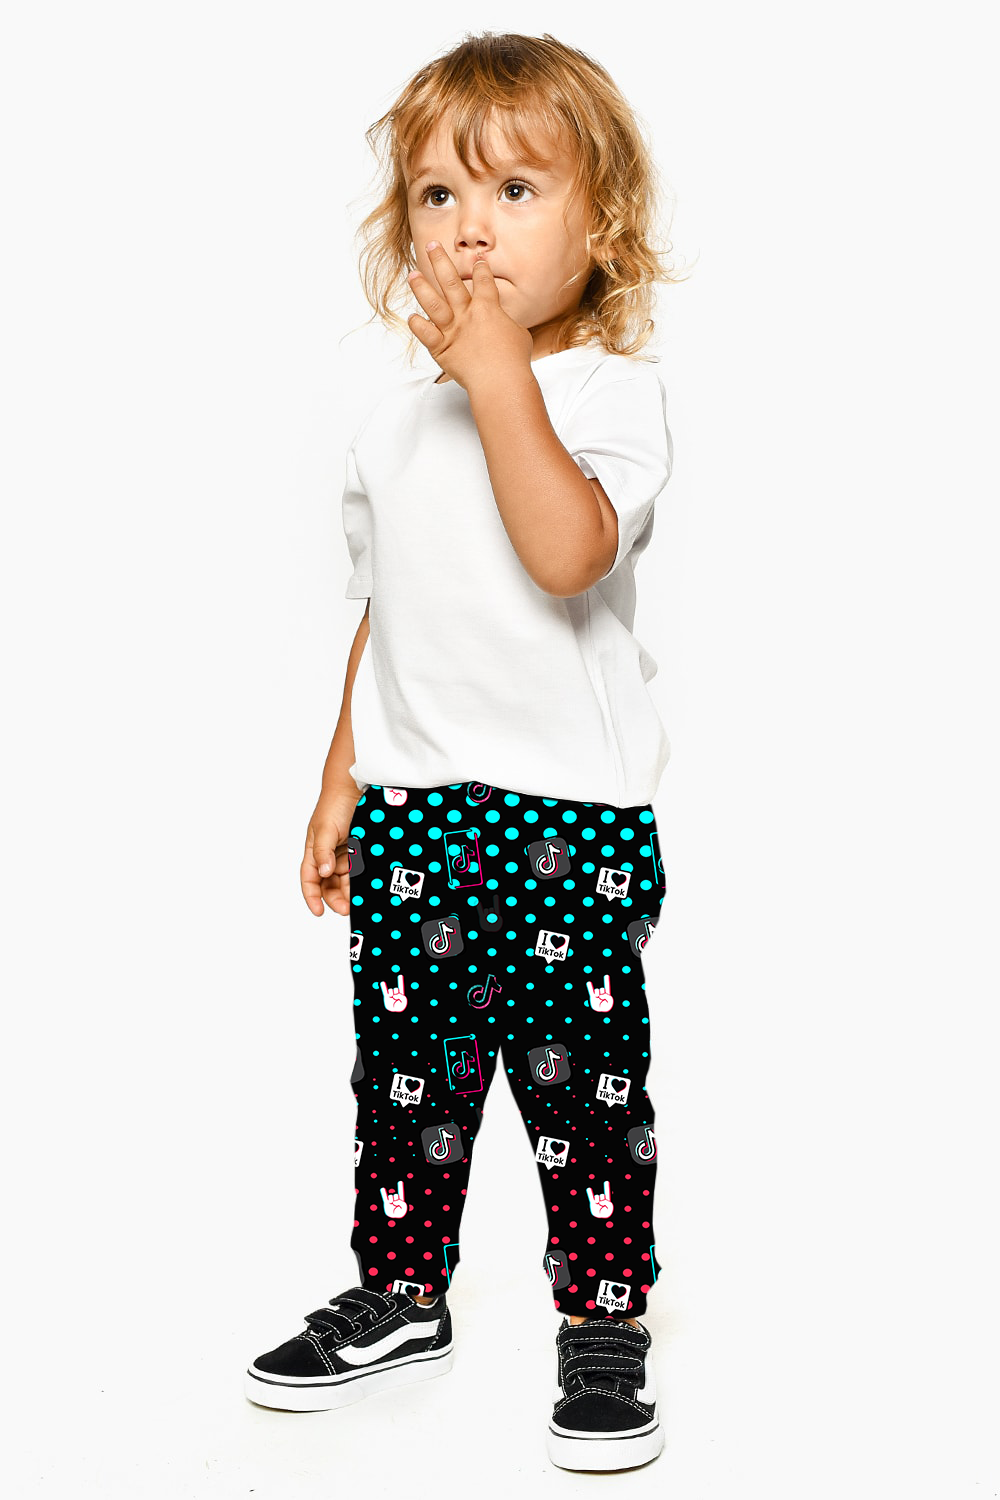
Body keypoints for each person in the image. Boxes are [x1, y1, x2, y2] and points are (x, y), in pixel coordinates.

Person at [245, 31, 683, 1473]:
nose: (471, 228)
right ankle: (401, 1289)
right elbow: (391, 614)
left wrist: (502, 375)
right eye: (439, 196)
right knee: (405, 1081)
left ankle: (604, 1316)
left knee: (582, 1091)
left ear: (600, 227)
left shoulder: (609, 393)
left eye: (514, 189)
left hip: (567, 821)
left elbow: (565, 555)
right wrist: (340, 781)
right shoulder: (393, 425)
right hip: (419, 811)